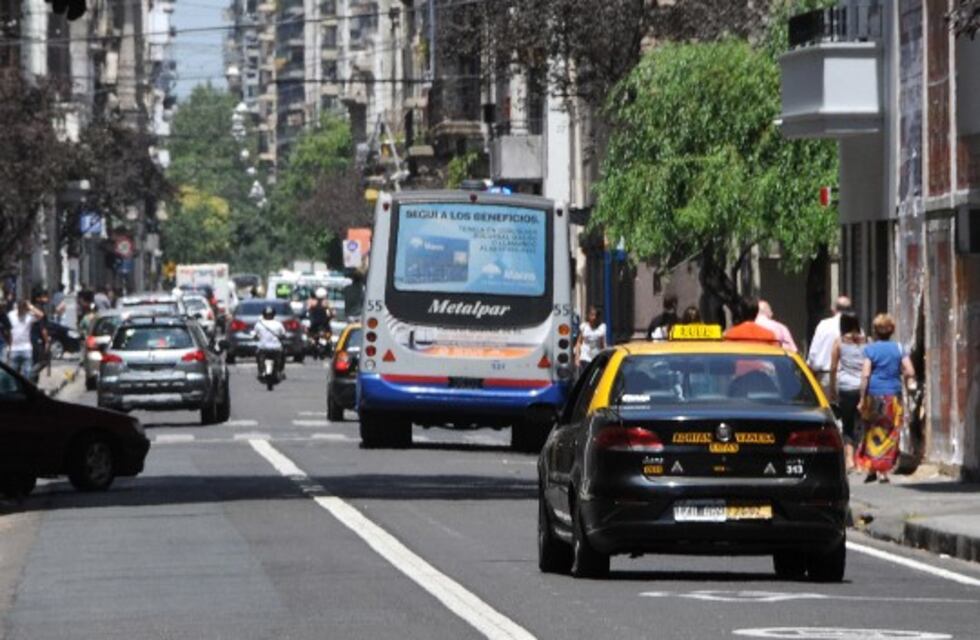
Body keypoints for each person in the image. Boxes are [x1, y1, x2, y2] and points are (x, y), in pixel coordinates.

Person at [856, 313, 916, 483]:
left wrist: (862, 398)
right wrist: (901, 374)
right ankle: (883, 471)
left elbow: (865, 375)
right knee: (890, 432)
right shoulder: (899, 348)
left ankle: (871, 468)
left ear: (875, 331)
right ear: (892, 330)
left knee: (871, 430)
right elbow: (910, 370)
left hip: (874, 395)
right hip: (893, 396)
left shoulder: (870, 350)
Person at [829, 311, 867, 470]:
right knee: (864, 423)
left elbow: (833, 367)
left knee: (848, 424)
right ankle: (861, 460)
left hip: (846, 387)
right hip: (864, 387)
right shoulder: (867, 341)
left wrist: (832, 388)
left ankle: (850, 460)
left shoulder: (839, 342)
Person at [807, 295, 852, 392]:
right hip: (849, 378)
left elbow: (813, 353)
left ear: (833, 309)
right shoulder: (855, 328)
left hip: (825, 376)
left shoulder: (824, 325)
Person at [6, 300, 44, 379]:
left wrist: (31, 306)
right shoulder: (11, 315)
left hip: (26, 349)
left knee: (26, 375)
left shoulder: (29, 316)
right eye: (20, 308)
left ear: (26, 309)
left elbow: (41, 315)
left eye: (24, 309)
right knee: (12, 375)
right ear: (17, 307)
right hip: (14, 349)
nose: (21, 311)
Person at [253, 304, 287, 378]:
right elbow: (283, 335)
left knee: (258, 354)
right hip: (276, 348)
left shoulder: (259, 324)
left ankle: (261, 371)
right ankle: (280, 371)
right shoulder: (278, 324)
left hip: (263, 348)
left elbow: (255, 335)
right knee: (283, 355)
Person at [575, 306, 606, 370]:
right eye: (592, 315)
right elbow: (579, 342)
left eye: (596, 315)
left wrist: (605, 357)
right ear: (588, 316)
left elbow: (603, 344)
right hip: (584, 358)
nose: (594, 317)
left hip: (596, 357)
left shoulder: (602, 327)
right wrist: (577, 357)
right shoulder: (584, 326)